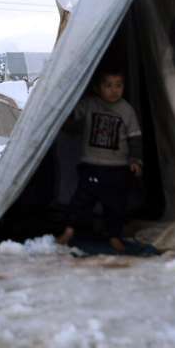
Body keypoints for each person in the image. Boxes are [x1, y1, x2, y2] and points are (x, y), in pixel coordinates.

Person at [57, 69, 142, 252]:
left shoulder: (126, 110)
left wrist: (135, 160)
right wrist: (64, 114)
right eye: (108, 85)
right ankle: (69, 231)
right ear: (97, 87)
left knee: (115, 205)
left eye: (118, 85)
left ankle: (114, 236)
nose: (114, 90)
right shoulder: (89, 105)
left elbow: (135, 137)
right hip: (91, 165)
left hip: (117, 169)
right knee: (80, 202)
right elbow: (71, 124)